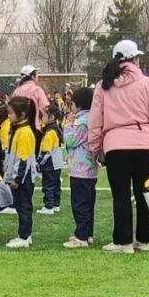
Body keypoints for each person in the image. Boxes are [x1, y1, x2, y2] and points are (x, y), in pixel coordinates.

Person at [88, 40, 149, 254]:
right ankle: (144, 239)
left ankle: (123, 241)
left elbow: (96, 119)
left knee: (121, 194)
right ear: (135, 59)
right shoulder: (147, 84)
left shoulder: (104, 85)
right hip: (145, 143)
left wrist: (95, 146)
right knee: (144, 193)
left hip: (116, 144)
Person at [63, 87, 98, 248]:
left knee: (80, 204)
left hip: (80, 169)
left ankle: (81, 236)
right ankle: (87, 233)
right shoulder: (94, 118)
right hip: (90, 169)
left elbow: (70, 141)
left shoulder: (80, 121)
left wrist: (69, 124)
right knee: (88, 203)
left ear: (77, 105)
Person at [3, 96, 40, 248]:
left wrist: (17, 179)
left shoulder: (24, 132)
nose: (8, 116)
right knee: (20, 206)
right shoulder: (18, 130)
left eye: (11, 113)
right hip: (19, 176)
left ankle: (24, 237)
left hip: (23, 178)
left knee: (24, 207)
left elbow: (23, 159)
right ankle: (24, 235)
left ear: (23, 114)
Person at [37, 104, 65, 215]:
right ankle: (55, 204)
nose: (42, 118)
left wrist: (39, 163)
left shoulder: (49, 132)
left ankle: (48, 206)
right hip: (57, 162)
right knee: (56, 184)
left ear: (52, 117)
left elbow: (46, 151)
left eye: (44, 116)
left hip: (50, 163)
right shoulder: (56, 129)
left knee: (48, 184)